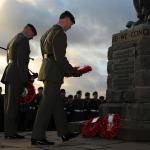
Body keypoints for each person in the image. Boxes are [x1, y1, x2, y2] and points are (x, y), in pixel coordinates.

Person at [31, 11, 82, 145]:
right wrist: (72, 71)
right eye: (70, 24)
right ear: (65, 20)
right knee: (46, 105)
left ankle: (64, 133)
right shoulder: (60, 34)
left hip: (47, 70)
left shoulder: (46, 33)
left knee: (56, 104)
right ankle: (37, 136)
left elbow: (46, 53)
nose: (69, 27)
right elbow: (59, 58)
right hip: (53, 73)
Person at [1, 24, 37, 139]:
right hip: (16, 75)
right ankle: (10, 133)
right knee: (13, 106)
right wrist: (26, 80)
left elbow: (9, 58)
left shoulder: (13, 39)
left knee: (8, 105)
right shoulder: (23, 40)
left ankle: (9, 132)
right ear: (27, 30)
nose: (31, 38)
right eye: (32, 35)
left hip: (10, 72)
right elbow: (22, 63)